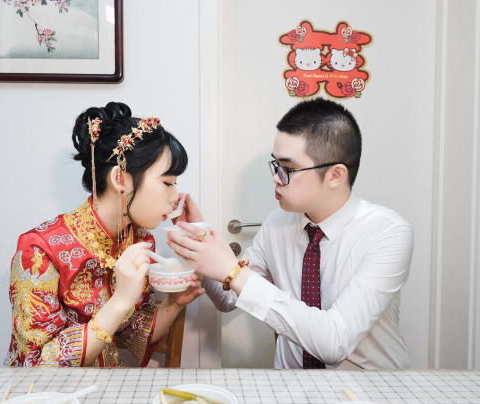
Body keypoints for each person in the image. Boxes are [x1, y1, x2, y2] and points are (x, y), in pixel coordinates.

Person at [166, 98, 414, 370]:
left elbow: (335, 342)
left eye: (289, 168)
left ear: (335, 175)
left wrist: (234, 271)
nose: (275, 177)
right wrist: (200, 239)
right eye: (276, 165)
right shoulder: (277, 223)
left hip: (370, 394)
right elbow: (227, 298)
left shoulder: (388, 232)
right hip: (291, 387)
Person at [4, 102, 204, 368]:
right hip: (45, 401)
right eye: (167, 182)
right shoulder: (39, 251)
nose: (175, 196)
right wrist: (120, 300)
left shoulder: (138, 240)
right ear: (121, 178)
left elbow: (135, 332)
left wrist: (174, 302)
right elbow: (40, 364)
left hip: (105, 391)